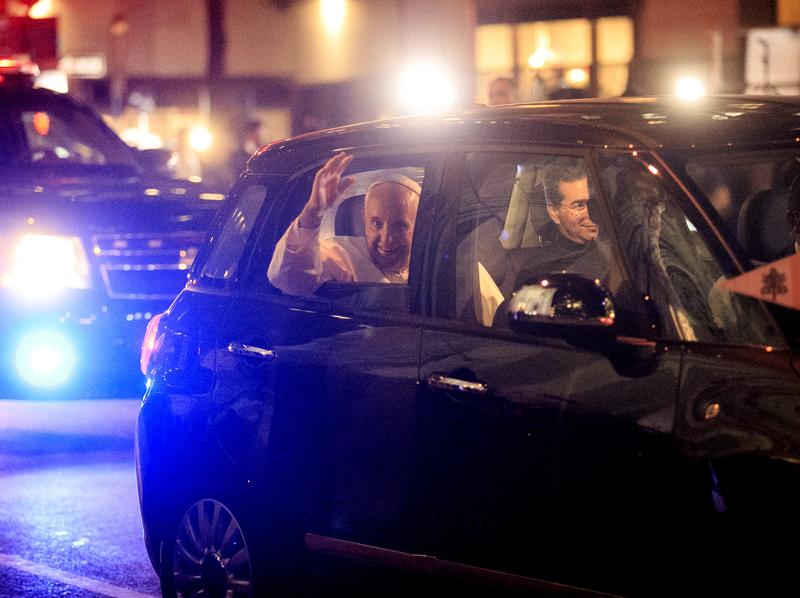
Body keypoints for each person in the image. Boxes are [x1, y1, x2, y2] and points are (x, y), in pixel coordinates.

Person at [268, 152, 420, 296]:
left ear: (419, 224)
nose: (386, 238)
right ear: (364, 218)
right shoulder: (342, 255)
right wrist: (312, 215)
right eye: (376, 223)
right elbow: (291, 281)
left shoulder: (429, 260)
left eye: (400, 226)